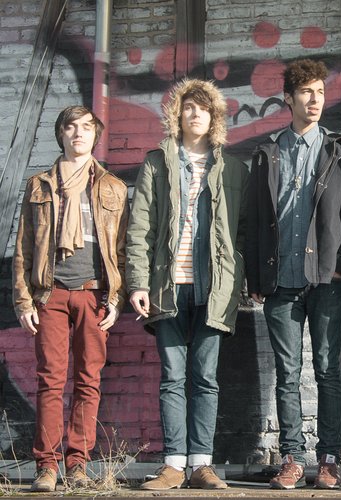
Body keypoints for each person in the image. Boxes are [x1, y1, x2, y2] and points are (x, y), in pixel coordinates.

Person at [126, 78, 248, 490]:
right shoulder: (157, 163)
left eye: (203, 108)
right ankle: (174, 464)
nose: (195, 114)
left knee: (206, 377)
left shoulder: (233, 169)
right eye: (188, 107)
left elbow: (242, 232)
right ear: (177, 115)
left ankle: (201, 464)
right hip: (168, 285)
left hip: (214, 288)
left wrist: (239, 279)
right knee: (173, 377)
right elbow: (140, 227)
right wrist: (138, 283)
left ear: (214, 117)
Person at [245, 59, 341, 489]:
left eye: (320, 92)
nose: (315, 100)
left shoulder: (339, 150)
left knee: (328, 369)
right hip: (280, 280)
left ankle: (328, 459)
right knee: (287, 372)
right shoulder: (267, 152)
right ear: (288, 98)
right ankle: (292, 457)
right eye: (307, 92)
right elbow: (254, 218)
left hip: (326, 279)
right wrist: (256, 277)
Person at [12, 105, 129, 492]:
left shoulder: (113, 187)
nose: (79, 133)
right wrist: (24, 301)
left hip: (93, 295)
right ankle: (46, 465)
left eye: (86, 127)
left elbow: (121, 251)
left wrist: (116, 298)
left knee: (88, 381)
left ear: (96, 135)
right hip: (51, 294)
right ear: (60, 134)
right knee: (50, 381)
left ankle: (77, 464)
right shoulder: (39, 185)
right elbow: (24, 248)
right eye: (71, 127)